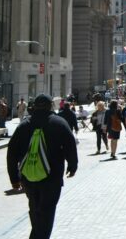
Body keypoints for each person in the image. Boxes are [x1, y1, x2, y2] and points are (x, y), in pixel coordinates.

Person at [6, 94, 77, 239]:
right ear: (51, 105)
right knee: (47, 211)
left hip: (28, 176)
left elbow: (11, 153)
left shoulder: (23, 125)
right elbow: (70, 145)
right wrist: (72, 165)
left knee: (34, 209)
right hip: (52, 177)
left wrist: (14, 178)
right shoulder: (59, 123)